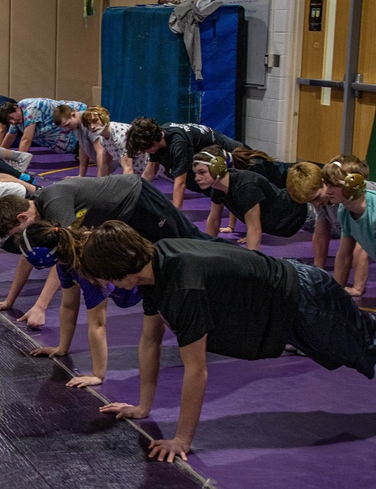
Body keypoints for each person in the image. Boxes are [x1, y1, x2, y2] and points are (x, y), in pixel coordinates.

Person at [80, 220, 376, 463]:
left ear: (119, 271)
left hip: (306, 299)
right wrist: (143, 407)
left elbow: (196, 370)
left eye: (106, 278)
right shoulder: (154, 267)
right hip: (289, 305)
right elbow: (149, 340)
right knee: (362, 346)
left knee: (367, 347)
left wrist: (181, 439)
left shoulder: (183, 283)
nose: (108, 286)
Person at [0, 174, 213, 328]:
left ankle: (237, 261)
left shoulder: (53, 202)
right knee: (159, 260)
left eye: (16, 231)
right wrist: (9, 301)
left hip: (137, 199)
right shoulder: (38, 223)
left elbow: (66, 252)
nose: (18, 238)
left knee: (188, 242)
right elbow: (28, 257)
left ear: (22, 217)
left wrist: (41, 306)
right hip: (125, 216)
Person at [15, 221, 142, 388]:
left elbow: (98, 324)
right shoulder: (66, 261)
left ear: (40, 255)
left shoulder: (88, 266)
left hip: (151, 284)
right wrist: (62, 348)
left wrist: (97, 375)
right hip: (138, 288)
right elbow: (69, 305)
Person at [192, 148, 308, 251]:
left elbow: (254, 229)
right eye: (196, 173)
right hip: (289, 216)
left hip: (302, 210)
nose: (197, 178)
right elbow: (214, 220)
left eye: (202, 172)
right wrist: (206, 250)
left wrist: (252, 266)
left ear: (217, 168)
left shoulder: (246, 187)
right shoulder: (219, 188)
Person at [287, 158, 373, 295]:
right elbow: (323, 236)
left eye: (316, 198)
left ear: (323, 183)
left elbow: (362, 246)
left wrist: (357, 287)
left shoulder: (360, 199)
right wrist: (318, 273)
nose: (316, 204)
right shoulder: (339, 208)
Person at [125, 118, 245, 209]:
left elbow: (180, 184)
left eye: (145, 149)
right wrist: (133, 194)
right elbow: (150, 172)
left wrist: (176, 219)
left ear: (151, 144)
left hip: (239, 157)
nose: (144, 153)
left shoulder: (179, 144)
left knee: (242, 194)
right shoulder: (160, 138)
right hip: (217, 156)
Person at [322, 156, 376, 297]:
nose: (327, 191)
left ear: (354, 185)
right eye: (326, 184)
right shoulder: (344, 211)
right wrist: (336, 293)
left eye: (334, 185)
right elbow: (344, 255)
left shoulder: (374, 211)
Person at [0, 98, 86, 155]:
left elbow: (27, 139)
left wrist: (19, 160)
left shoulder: (31, 109)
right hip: (72, 141)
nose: (13, 122)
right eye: (9, 121)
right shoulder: (17, 118)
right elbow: (10, 136)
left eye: (11, 118)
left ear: (15, 107)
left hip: (79, 121)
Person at [80, 106, 148, 177]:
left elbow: (128, 169)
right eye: (88, 124)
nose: (92, 127)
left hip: (151, 166)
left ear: (104, 118)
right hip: (141, 171)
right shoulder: (102, 139)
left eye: (95, 121)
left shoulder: (119, 134)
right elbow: (105, 164)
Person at [52, 104, 98, 177]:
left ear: (73, 115)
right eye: (64, 127)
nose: (67, 129)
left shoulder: (89, 121)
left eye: (67, 125)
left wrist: (102, 178)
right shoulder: (76, 125)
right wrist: (81, 176)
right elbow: (83, 149)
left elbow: (101, 152)